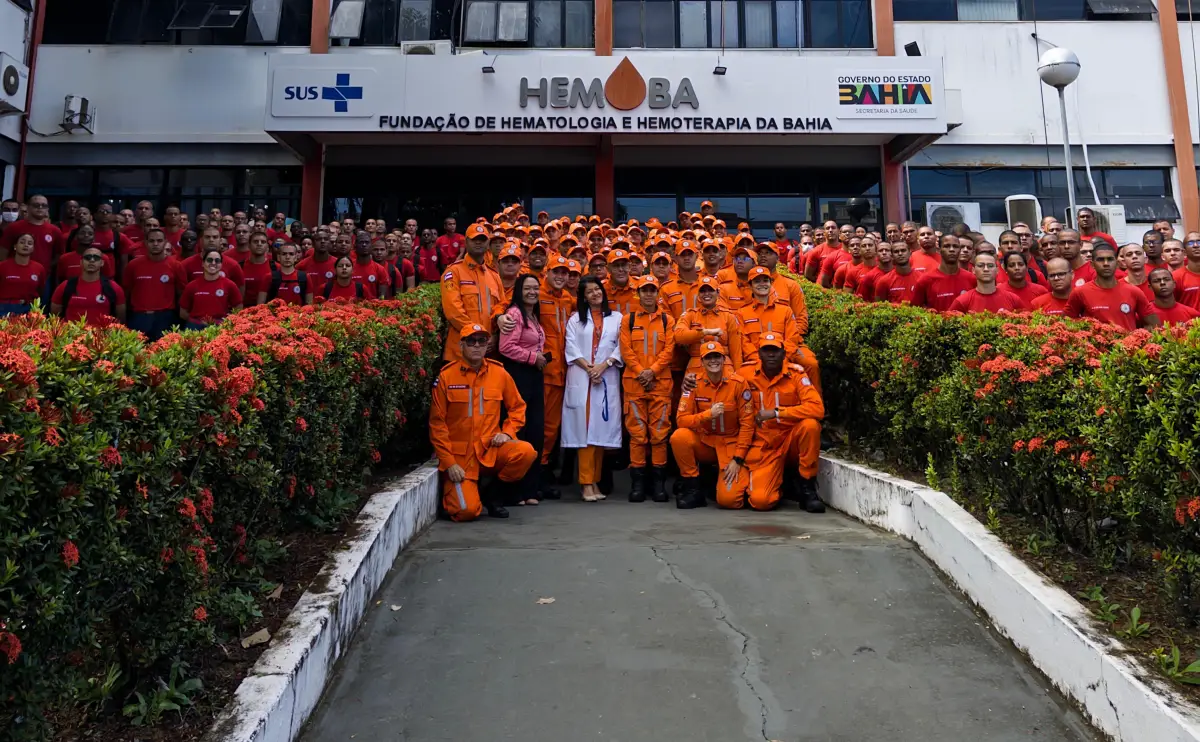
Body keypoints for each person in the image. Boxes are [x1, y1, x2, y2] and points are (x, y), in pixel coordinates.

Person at [429, 323, 536, 521]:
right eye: (471, 341)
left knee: (525, 452)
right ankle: (465, 492)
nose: (476, 346)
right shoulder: (446, 377)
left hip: (490, 450)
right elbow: (437, 425)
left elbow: (518, 407)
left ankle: (493, 494)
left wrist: (507, 433)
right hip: (461, 458)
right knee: (466, 512)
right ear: (461, 345)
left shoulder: (499, 373)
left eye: (482, 341)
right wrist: (449, 463)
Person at [744, 333, 825, 512]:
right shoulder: (746, 374)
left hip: (790, 439)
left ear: (784, 353)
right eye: (766, 350)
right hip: (765, 445)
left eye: (775, 351)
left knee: (810, 426)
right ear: (759, 353)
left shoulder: (796, 374)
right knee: (761, 501)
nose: (771, 355)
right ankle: (781, 486)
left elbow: (817, 409)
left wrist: (777, 413)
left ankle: (807, 489)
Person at [670, 341, 754, 509]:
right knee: (679, 437)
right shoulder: (693, 383)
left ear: (724, 359)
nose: (713, 361)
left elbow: (748, 424)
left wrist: (738, 459)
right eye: (708, 358)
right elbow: (681, 420)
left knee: (729, 501)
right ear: (701, 362)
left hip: (731, 447)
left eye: (717, 356)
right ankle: (693, 489)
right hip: (706, 444)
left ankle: (724, 482)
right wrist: (708, 415)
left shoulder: (738, 384)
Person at [562, 276, 624, 503]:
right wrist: (590, 369)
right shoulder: (575, 320)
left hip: (605, 377)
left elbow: (622, 346)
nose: (595, 294)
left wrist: (603, 366)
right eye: (589, 291)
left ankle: (595, 481)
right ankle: (585, 483)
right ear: (584, 297)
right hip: (583, 378)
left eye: (597, 289)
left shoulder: (617, 318)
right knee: (585, 434)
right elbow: (570, 346)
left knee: (600, 434)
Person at [618, 275, 675, 503]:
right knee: (637, 434)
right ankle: (638, 483)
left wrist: (652, 371)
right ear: (638, 294)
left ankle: (658, 484)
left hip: (660, 384)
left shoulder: (667, 320)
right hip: (634, 383)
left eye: (652, 290)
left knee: (659, 434)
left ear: (657, 294)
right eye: (645, 290)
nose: (649, 294)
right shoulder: (627, 320)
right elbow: (625, 349)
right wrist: (642, 371)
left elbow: (669, 350)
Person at [499, 274, 546, 507]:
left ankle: (531, 489)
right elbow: (505, 347)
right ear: (519, 290)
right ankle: (514, 490)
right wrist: (531, 357)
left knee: (536, 431)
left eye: (536, 288)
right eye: (527, 288)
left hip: (535, 376)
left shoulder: (533, 315)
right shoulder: (515, 314)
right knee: (521, 430)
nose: (532, 292)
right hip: (518, 375)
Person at [441, 223, 510, 363]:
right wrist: (478, 337)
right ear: (466, 242)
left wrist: (496, 336)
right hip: (460, 352)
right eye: (474, 239)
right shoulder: (454, 272)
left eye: (482, 239)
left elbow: (501, 306)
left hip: (490, 352)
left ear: (488, 244)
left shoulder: (494, 275)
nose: (478, 242)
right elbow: (453, 311)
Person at [1065, 242, 1158, 330]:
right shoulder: (1080, 292)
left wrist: (1138, 340)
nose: (1106, 264)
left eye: (1110, 259)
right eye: (1100, 260)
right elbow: (1065, 324)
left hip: (1127, 346)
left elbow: (1154, 325)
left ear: (1117, 263)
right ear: (1092, 264)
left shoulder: (1134, 291)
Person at [123, 227, 187, 340]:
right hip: (139, 317)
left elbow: (181, 294)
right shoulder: (133, 265)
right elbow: (127, 292)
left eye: (159, 241)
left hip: (165, 317)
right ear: (145, 243)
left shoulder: (176, 266)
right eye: (152, 241)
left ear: (165, 242)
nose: (155, 244)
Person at [51, 245, 126, 327]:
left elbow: (120, 319)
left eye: (96, 258)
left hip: (102, 337)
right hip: (71, 336)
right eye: (88, 257)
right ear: (81, 262)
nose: (92, 260)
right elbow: (55, 317)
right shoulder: (65, 286)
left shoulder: (114, 288)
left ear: (102, 263)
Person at [180, 247, 243, 329]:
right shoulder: (191, 286)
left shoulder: (230, 285)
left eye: (217, 261)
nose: (213, 263)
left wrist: (226, 322)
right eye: (209, 260)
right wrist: (196, 322)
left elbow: (239, 308)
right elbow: (182, 313)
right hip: (195, 327)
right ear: (203, 263)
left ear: (221, 264)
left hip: (220, 326)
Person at [948, 253, 1027, 314]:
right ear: (973, 270)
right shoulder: (962, 301)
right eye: (981, 265)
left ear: (997, 271)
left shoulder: (1013, 299)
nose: (986, 269)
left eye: (990, 266)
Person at [913, 234, 976, 311]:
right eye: (947, 246)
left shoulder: (971, 279)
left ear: (959, 250)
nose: (952, 249)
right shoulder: (925, 280)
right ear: (939, 250)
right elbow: (915, 309)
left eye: (955, 246)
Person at [0, 195, 63, 271]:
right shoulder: (13, 227)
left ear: (47, 209)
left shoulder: (55, 230)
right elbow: (3, 252)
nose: (40, 207)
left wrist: (45, 266)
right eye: (36, 205)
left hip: (41, 276)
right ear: (28, 207)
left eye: (44, 205)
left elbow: (59, 255)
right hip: (14, 273)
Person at [0, 233, 45, 316]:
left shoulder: (39, 268)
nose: (26, 245)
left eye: (30, 243)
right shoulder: (2, 266)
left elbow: (40, 290)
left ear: (33, 248)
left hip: (28, 308)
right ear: (15, 246)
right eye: (22, 242)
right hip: (4, 308)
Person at [241, 231, 276, 306]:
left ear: (267, 246)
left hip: (269, 311)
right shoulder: (239, 267)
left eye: (263, 242)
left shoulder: (276, 267)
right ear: (249, 245)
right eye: (256, 241)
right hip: (244, 311)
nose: (259, 244)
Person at [1174, 232, 1200, 310]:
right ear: (1184, 252)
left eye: (1199, 242)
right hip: (1188, 321)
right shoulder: (1176, 276)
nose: (1196, 245)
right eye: (1191, 243)